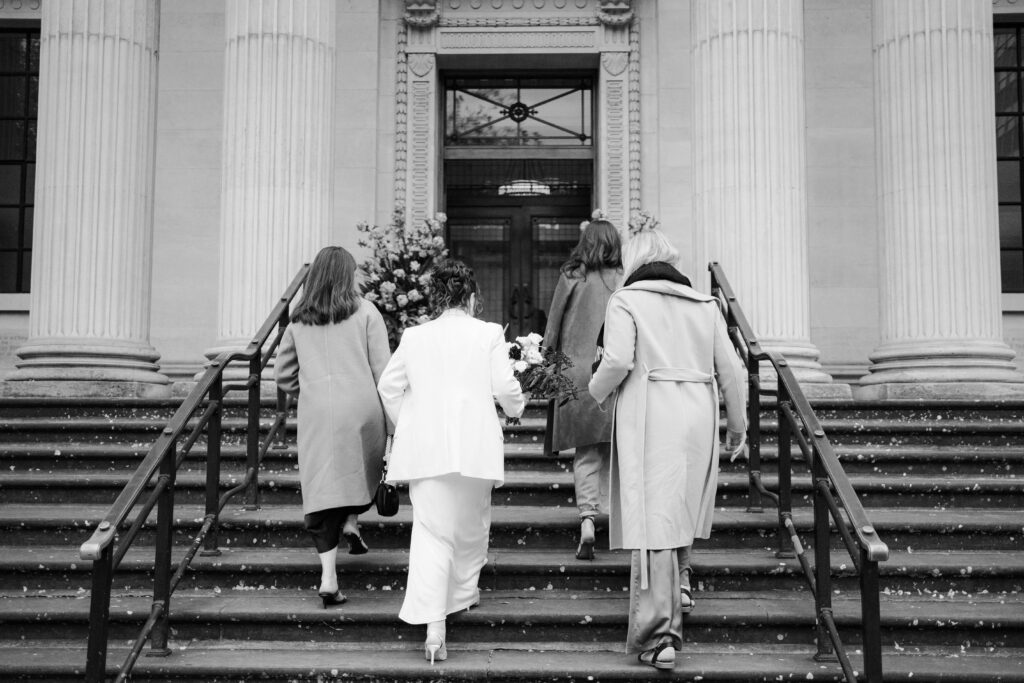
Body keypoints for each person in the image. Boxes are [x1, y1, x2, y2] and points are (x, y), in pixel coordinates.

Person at [588, 223, 746, 671]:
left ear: (634, 261)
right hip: (696, 414)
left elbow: (617, 359)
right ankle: (678, 587)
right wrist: (737, 424)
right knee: (676, 509)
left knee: (655, 519)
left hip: (651, 412)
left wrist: (596, 391)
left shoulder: (626, 300)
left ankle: (660, 635)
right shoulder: (705, 303)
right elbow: (732, 371)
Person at [376, 260, 525, 665]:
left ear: (436, 298)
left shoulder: (414, 336)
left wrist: (407, 421)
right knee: (472, 527)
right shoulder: (489, 333)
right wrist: (517, 406)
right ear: (472, 298)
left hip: (425, 449)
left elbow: (388, 387)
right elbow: (505, 387)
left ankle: (434, 630)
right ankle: (460, 597)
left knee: (431, 533)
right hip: (475, 448)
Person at [274, 246, 391, 608]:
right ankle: (353, 521)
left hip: (317, 413)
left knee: (323, 485)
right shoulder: (367, 312)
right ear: (347, 275)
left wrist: (308, 391)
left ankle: (328, 577)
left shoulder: (298, 320)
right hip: (362, 407)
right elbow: (383, 369)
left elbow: (282, 375)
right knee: (360, 469)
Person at [542, 214, 623, 560]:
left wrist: (544, 362)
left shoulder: (571, 276)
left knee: (587, 453)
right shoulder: (624, 279)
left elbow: (554, 325)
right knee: (619, 451)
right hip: (615, 371)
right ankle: (620, 519)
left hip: (575, 376)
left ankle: (588, 519)